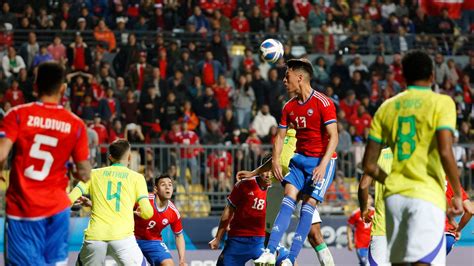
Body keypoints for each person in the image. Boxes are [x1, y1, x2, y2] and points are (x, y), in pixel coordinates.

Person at [362, 50, 463, 265]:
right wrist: (455, 194)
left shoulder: (385, 108)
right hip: (426, 196)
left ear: (403, 77)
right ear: (432, 77)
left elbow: (369, 165)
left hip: (394, 198)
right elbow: (445, 151)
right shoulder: (442, 103)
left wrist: (392, 181)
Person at [0, 62, 92, 265]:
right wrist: (75, 172)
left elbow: (0, 155)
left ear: (35, 86)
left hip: (23, 210)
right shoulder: (75, 124)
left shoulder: (16, 115)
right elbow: (85, 173)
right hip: (57, 210)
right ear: (63, 89)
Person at [256, 58, 338, 265]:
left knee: (308, 208)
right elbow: (280, 137)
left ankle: (291, 259)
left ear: (299, 78)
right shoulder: (288, 107)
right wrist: (274, 160)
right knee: (287, 200)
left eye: (287, 76)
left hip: (321, 162)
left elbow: (334, 137)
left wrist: (322, 165)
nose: (284, 80)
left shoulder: (323, 102)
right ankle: (269, 251)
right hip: (300, 161)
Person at [238, 128, 335, 265]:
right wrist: (253, 173)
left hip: (302, 193)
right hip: (280, 191)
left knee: (315, 235)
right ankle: (275, 257)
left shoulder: (306, 134)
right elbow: (275, 158)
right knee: (269, 235)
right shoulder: (284, 133)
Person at [69, 139, 154, 265]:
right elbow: (148, 213)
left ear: (110, 157)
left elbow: (70, 199)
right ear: (129, 157)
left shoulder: (93, 174)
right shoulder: (137, 178)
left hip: (96, 238)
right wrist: (141, 212)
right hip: (123, 239)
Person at [209, 163, 273, 265]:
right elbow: (228, 212)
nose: (268, 174)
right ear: (261, 169)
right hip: (237, 239)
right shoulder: (244, 184)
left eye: (271, 171)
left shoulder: (277, 189)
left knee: (284, 259)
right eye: (266, 170)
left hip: (261, 241)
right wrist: (217, 238)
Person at [134, 175, 187, 266]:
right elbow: (124, 209)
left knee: (168, 264)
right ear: (156, 189)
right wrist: (132, 213)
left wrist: (182, 260)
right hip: (132, 238)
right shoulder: (144, 200)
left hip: (153, 242)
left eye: (170, 185)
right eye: (163, 185)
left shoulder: (173, 212)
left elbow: (179, 236)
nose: (167, 187)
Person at [358, 148, 393, 266]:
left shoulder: (378, 155)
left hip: (382, 228)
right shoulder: (414, 153)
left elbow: (363, 186)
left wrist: (364, 210)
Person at [445, 181, 473, 255]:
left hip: (425, 231)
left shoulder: (421, 179)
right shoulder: (452, 182)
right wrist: (458, 229)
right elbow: (470, 211)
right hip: (448, 235)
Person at [347, 195, 374, 266]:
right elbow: (349, 228)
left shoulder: (376, 212)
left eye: (370, 198)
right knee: (366, 264)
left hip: (373, 244)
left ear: (372, 200)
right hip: (361, 244)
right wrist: (350, 241)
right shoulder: (356, 213)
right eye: (366, 198)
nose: (368, 200)